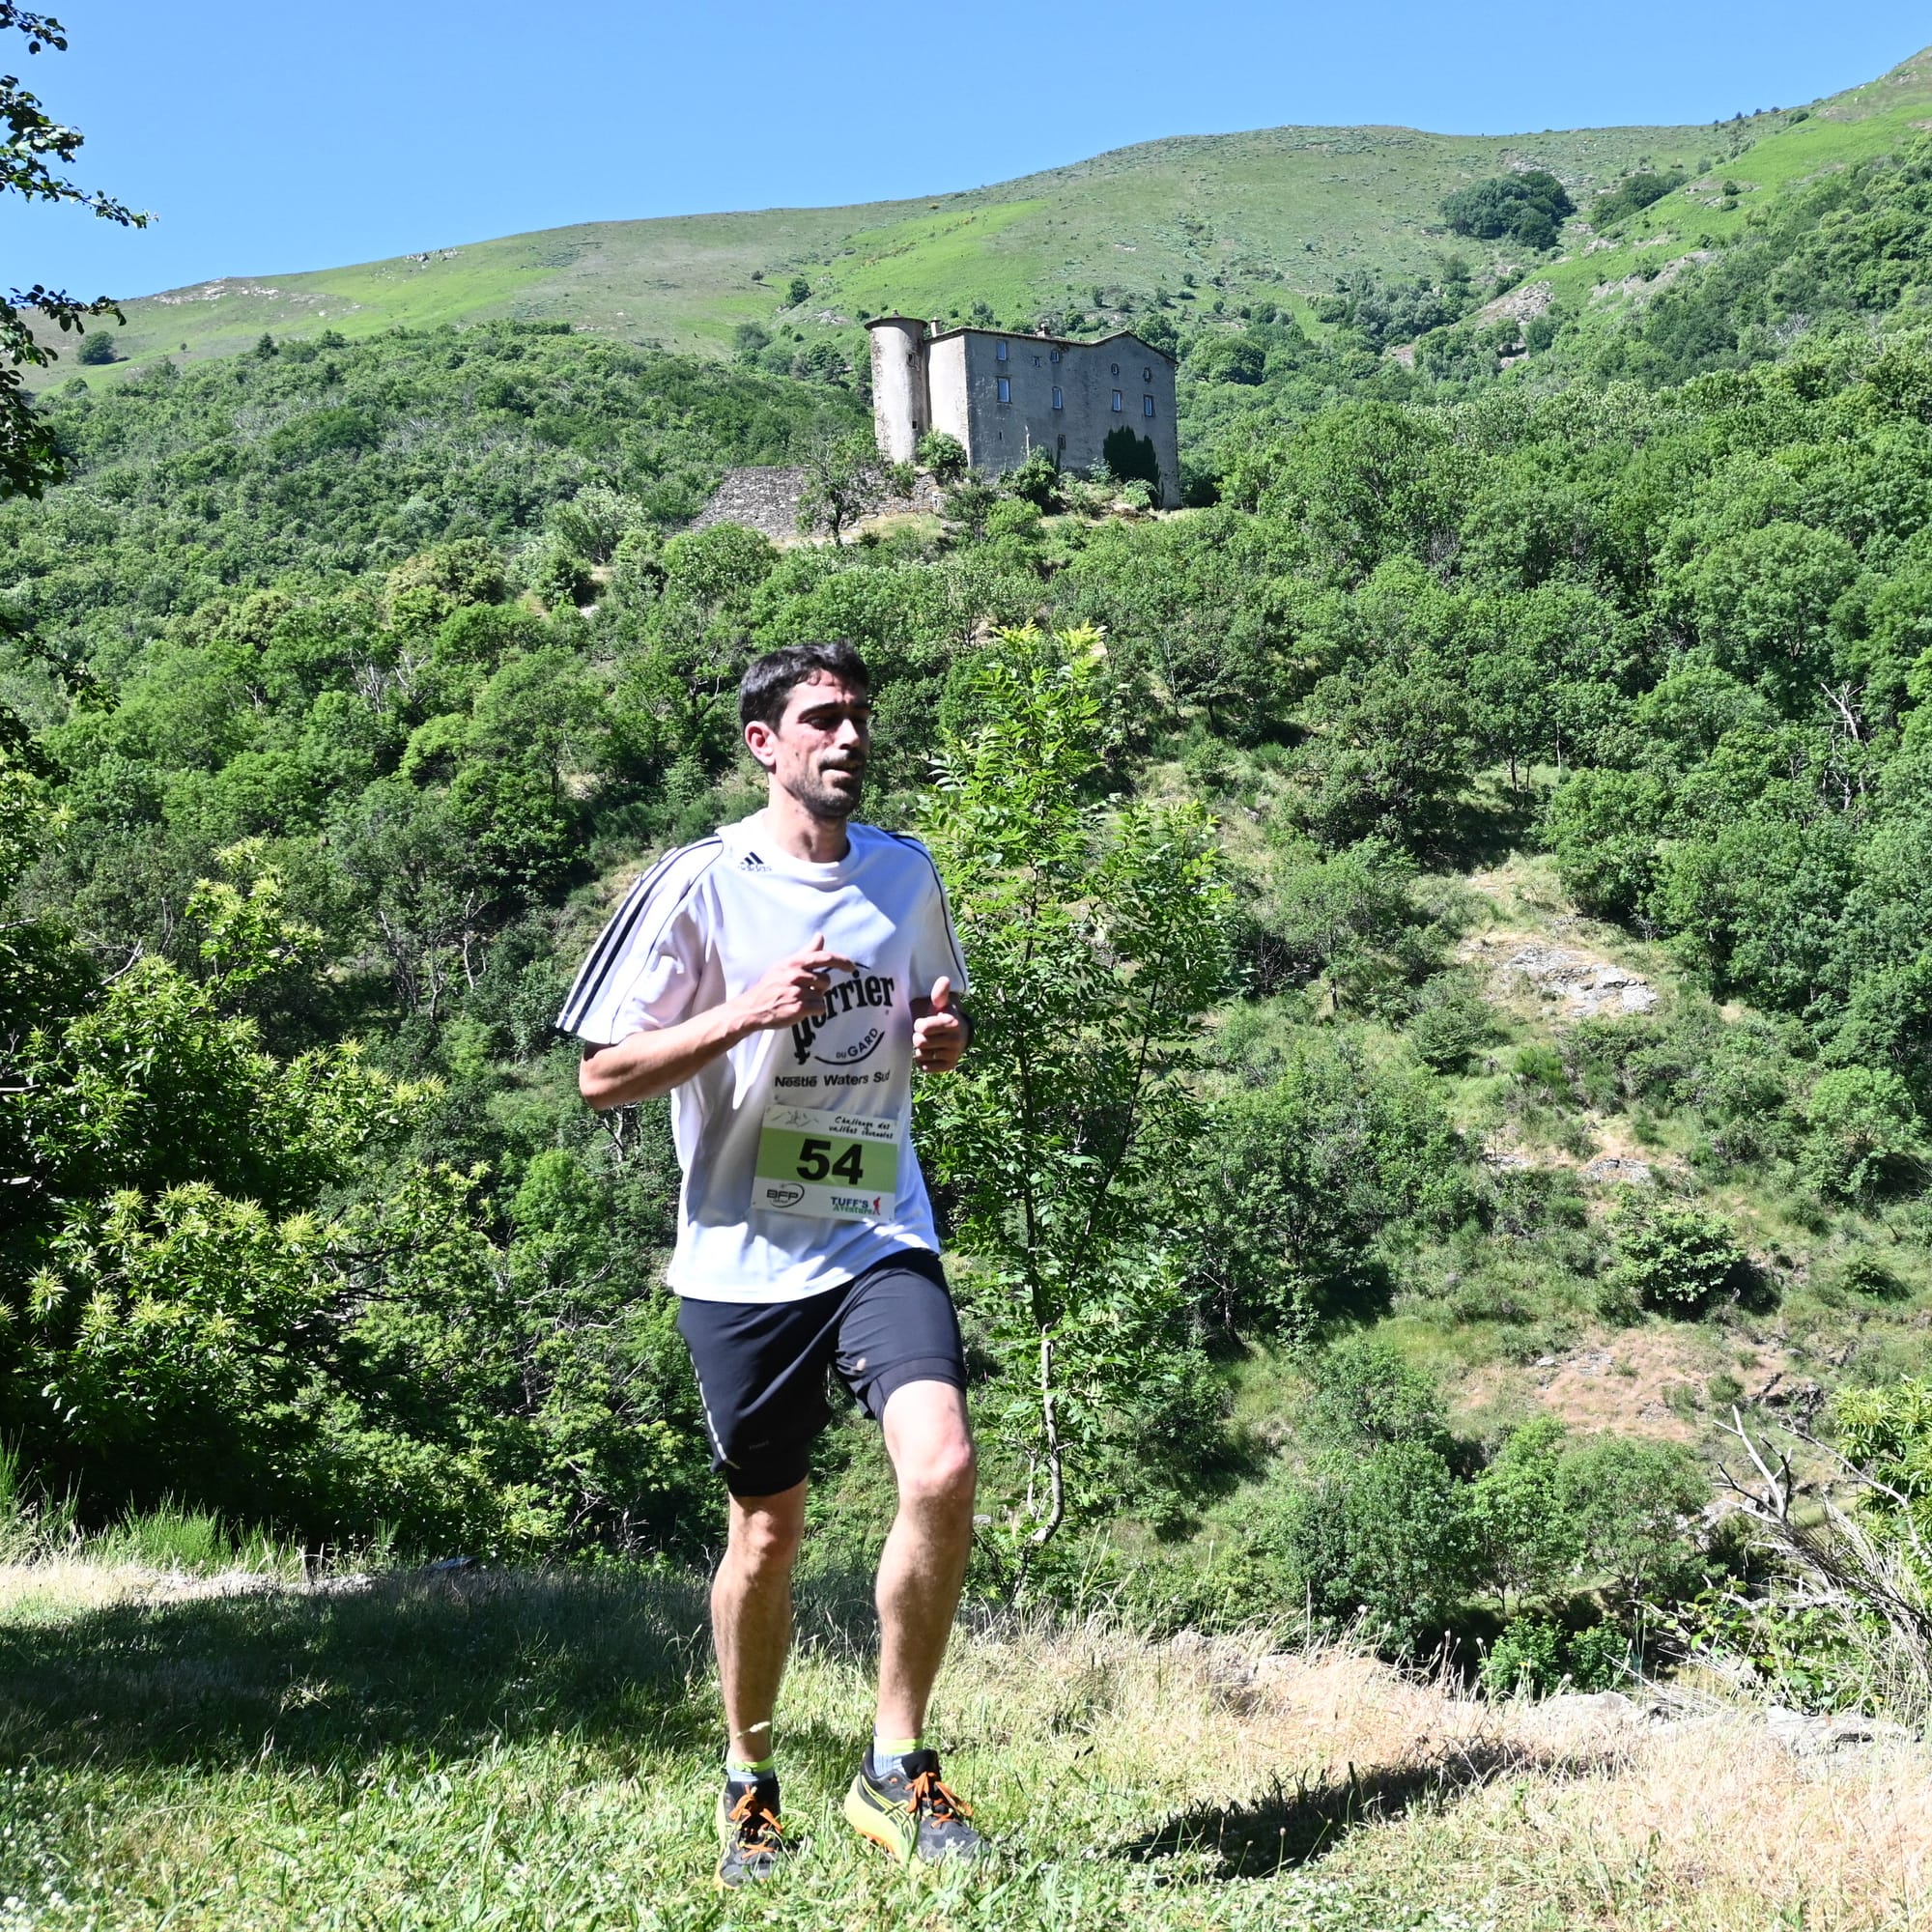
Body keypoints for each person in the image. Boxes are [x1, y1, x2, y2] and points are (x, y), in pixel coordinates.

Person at [557, 639, 984, 1887]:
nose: (848, 739)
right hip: (742, 1258)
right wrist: (745, 1009)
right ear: (765, 744)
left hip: (876, 1226)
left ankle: (898, 1759)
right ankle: (751, 1782)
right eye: (822, 721)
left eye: (859, 720)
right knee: (766, 1532)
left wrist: (944, 1040)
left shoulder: (907, 872)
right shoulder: (695, 886)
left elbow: (933, 1032)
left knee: (943, 1464)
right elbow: (600, 1075)